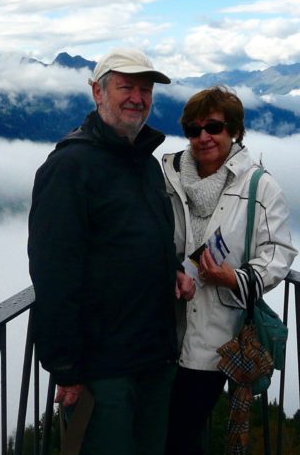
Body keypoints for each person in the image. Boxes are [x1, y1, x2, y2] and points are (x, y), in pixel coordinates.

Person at [28, 47, 196, 455]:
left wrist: (170, 269)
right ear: (97, 92)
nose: (138, 97)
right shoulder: (70, 168)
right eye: (126, 87)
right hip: (103, 370)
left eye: (145, 89)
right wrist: (65, 368)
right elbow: (53, 272)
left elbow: (146, 237)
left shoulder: (145, 163)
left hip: (153, 359)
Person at [163, 86, 298, 455]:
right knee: (161, 433)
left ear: (235, 131)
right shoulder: (170, 178)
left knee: (178, 436)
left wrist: (235, 279)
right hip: (163, 332)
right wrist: (170, 269)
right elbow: (154, 237)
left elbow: (278, 252)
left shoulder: (260, 187)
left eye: (214, 127)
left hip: (214, 338)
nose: (203, 137)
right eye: (193, 129)